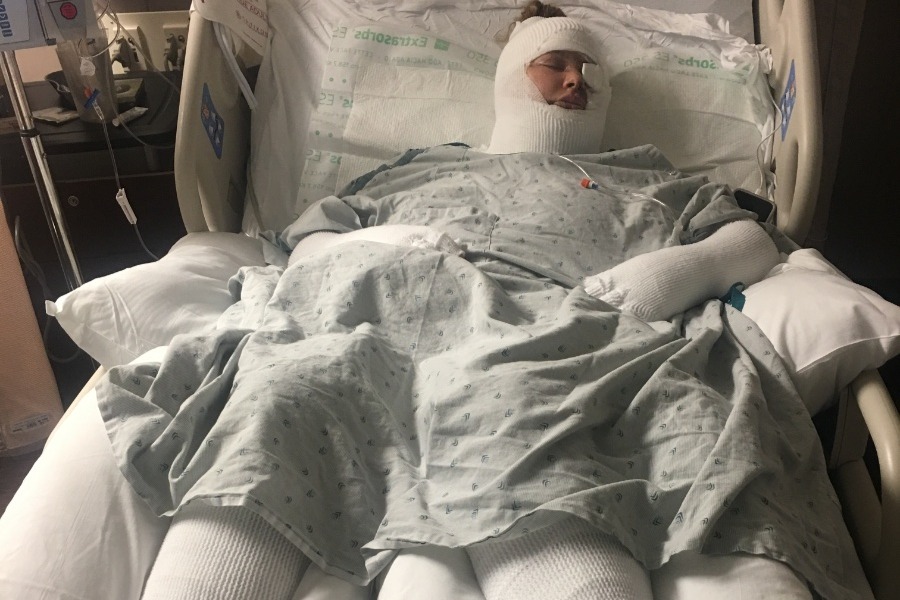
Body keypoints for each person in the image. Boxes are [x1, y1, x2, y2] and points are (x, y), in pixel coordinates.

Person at [1, 3, 838, 600]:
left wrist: (667, 277)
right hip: (380, 317)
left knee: (530, 406)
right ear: (512, 75)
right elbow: (307, 241)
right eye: (554, 64)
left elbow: (750, 239)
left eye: (588, 70)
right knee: (281, 396)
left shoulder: (648, 176)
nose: (575, 81)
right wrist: (372, 252)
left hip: (555, 327)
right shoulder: (427, 167)